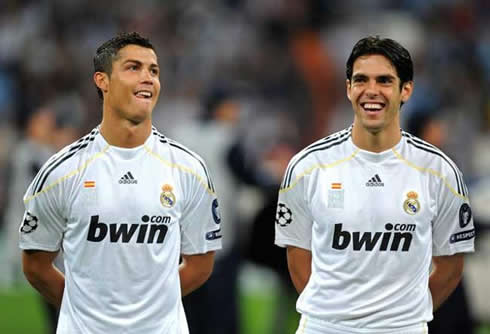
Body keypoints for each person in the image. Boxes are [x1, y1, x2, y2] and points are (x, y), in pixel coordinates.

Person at [19, 32, 221, 334]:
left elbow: (201, 262)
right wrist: (86, 311)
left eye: (153, 71)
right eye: (133, 68)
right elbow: (35, 265)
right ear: (103, 81)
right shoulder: (61, 171)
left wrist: (150, 309)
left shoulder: (188, 169)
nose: (148, 78)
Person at [274, 36, 475, 334]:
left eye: (384, 80)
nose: (371, 91)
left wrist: (402, 316)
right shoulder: (308, 167)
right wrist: (334, 316)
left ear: (405, 90)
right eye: (361, 80)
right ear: (348, 88)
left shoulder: (439, 172)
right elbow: (297, 255)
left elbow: (451, 264)